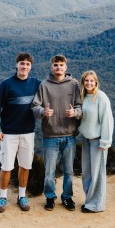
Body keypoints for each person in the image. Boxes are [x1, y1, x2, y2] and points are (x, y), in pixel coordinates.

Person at [0, 52, 41, 213]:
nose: (24, 66)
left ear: (31, 67)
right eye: (22, 63)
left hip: (28, 133)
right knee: (7, 167)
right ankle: (3, 197)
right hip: (8, 133)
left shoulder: (36, 84)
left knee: (25, 166)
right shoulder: (6, 85)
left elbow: (54, 88)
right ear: (16, 65)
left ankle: (21, 196)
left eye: (27, 64)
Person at [31, 54, 82, 211]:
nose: (58, 68)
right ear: (51, 67)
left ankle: (67, 197)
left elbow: (81, 107)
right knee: (49, 171)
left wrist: (75, 113)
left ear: (66, 67)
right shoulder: (44, 85)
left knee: (68, 171)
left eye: (61, 65)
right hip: (50, 136)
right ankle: (50, 197)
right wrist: (43, 112)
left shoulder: (74, 85)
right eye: (55, 65)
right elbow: (34, 107)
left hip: (69, 136)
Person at [78, 70, 114, 213]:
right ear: (83, 82)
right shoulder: (84, 97)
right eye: (86, 80)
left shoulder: (101, 97)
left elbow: (107, 120)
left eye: (91, 81)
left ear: (96, 82)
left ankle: (96, 205)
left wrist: (105, 142)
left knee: (97, 173)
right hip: (86, 139)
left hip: (98, 141)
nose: (89, 83)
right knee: (87, 172)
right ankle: (89, 201)